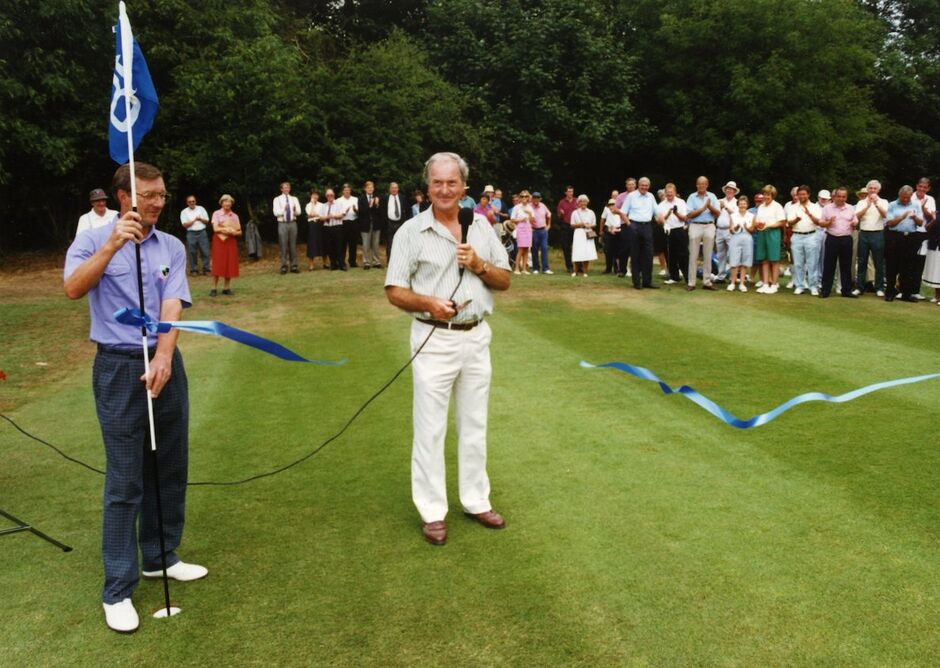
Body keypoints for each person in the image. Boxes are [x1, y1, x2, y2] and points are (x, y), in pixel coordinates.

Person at [63, 162, 206, 634]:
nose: (159, 203)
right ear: (124, 197)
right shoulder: (92, 239)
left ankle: (160, 556)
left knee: (169, 467)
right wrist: (112, 244)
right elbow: (72, 287)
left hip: (163, 364)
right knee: (126, 478)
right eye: (149, 196)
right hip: (118, 365)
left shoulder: (171, 246)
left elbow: (171, 303)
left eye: (162, 195)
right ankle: (118, 589)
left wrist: (165, 356)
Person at [384, 151, 511, 546]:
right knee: (430, 428)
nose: (444, 189)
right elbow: (394, 290)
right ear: (427, 187)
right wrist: (429, 303)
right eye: (437, 183)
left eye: (452, 182)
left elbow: (504, 279)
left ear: (464, 188)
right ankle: (432, 510)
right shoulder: (410, 231)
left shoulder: (482, 227)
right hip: (432, 338)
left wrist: (479, 265)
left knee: (474, 425)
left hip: (476, 337)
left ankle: (476, 500)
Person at [884, 185, 925, 302]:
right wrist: (902, 217)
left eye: (908, 197)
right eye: (903, 197)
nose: (906, 200)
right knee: (892, 265)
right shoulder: (892, 205)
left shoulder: (916, 205)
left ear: (911, 195)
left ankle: (906, 293)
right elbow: (890, 223)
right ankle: (890, 292)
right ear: (899, 195)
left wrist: (915, 217)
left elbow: (921, 223)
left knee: (908, 266)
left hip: (911, 237)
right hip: (895, 237)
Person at [819, 187, 859, 298]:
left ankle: (846, 290)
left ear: (846, 197)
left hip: (846, 239)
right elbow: (821, 223)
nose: (841, 199)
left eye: (843, 196)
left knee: (846, 266)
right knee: (829, 265)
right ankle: (825, 290)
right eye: (839, 196)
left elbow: (855, 220)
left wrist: (854, 222)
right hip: (832, 238)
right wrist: (828, 222)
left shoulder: (850, 208)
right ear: (834, 197)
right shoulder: (827, 208)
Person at [621, 177, 659, 289]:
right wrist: (629, 224)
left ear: (649, 186)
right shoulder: (631, 196)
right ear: (638, 185)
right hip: (634, 226)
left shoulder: (651, 196)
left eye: (646, 185)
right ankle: (637, 282)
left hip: (647, 226)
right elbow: (623, 212)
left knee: (648, 254)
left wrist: (662, 219)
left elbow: (657, 212)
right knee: (635, 254)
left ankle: (647, 281)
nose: (644, 187)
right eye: (642, 185)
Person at [853, 180, 888, 297]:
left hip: (877, 234)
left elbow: (885, 216)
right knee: (862, 261)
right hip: (864, 233)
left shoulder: (883, 201)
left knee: (878, 262)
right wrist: (867, 206)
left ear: (878, 190)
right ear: (867, 190)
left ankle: (879, 287)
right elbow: (856, 216)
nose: (872, 190)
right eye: (870, 188)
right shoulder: (861, 202)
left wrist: (876, 204)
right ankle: (860, 287)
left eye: (875, 188)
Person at [786, 185, 822, 295]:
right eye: (799, 194)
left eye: (804, 194)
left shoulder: (815, 207)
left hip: (811, 235)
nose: (801, 196)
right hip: (796, 236)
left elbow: (819, 222)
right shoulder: (793, 207)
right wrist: (796, 219)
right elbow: (789, 223)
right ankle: (800, 285)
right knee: (798, 263)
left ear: (808, 194)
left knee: (812, 262)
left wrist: (809, 214)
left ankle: (813, 286)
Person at [686, 176, 720, 291]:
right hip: (695, 225)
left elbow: (718, 214)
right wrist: (703, 208)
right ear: (696, 185)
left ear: (707, 185)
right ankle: (691, 283)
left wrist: (709, 206)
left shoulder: (712, 196)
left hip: (709, 225)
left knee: (708, 255)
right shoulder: (691, 197)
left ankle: (707, 282)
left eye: (704, 183)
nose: (701, 186)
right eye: (699, 184)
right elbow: (689, 214)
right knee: (693, 255)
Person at [752, 185, 787, 294]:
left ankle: (774, 284)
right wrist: (758, 224)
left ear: (773, 195)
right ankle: (765, 283)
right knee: (764, 259)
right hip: (762, 233)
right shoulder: (761, 207)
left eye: (768, 194)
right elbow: (758, 221)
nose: (766, 196)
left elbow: (782, 222)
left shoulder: (777, 206)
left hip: (773, 233)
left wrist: (770, 226)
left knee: (774, 260)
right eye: (765, 194)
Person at [655, 183, 689, 285]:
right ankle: (674, 277)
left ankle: (688, 278)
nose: (669, 194)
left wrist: (676, 213)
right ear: (665, 192)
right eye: (668, 192)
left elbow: (685, 218)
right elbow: (659, 220)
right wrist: (668, 214)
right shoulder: (661, 205)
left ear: (675, 192)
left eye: (671, 192)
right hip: (667, 230)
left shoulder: (681, 202)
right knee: (670, 255)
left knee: (683, 255)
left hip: (679, 230)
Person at [209, 195, 241, 296]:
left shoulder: (234, 216)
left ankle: (226, 288)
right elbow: (215, 229)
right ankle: (213, 288)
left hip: (231, 241)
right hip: (219, 241)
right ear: (221, 203)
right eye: (225, 201)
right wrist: (226, 229)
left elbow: (239, 231)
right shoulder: (216, 214)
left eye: (229, 202)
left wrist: (234, 233)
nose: (227, 203)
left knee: (229, 263)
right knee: (218, 263)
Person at [911, 178, 936, 300]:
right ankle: (902, 289)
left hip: (923, 233)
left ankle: (915, 291)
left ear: (928, 188)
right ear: (916, 186)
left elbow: (931, 218)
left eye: (924, 187)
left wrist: (923, 207)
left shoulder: (930, 199)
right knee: (906, 261)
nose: (921, 189)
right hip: (910, 232)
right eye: (920, 186)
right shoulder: (910, 196)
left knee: (919, 262)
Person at [727, 195, 755, 292]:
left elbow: (752, 230)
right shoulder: (733, 215)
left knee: (745, 261)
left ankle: (742, 284)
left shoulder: (751, 216)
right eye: (740, 203)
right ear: (738, 205)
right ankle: (732, 283)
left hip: (747, 238)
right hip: (735, 238)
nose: (742, 205)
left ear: (747, 205)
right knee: (734, 261)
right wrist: (736, 228)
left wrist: (747, 227)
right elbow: (731, 230)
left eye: (744, 203)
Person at [273, 181, 301, 274]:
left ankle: (294, 266)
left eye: (288, 187)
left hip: (292, 223)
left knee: (293, 245)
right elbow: (276, 213)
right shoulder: (277, 199)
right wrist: (284, 209)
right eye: (284, 187)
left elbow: (299, 212)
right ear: (281, 189)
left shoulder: (294, 199)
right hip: (282, 223)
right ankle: (283, 266)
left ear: (289, 189)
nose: (286, 189)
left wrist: (294, 210)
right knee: (283, 245)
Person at [715, 181, 740, 283]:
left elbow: (737, 215)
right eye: (728, 189)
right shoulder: (719, 201)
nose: (729, 190)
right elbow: (714, 214)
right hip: (719, 229)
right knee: (721, 255)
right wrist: (719, 208)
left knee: (732, 254)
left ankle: (733, 276)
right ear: (725, 190)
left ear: (734, 191)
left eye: (731, 189)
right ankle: (721, 276)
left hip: (731, 231)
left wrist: (725, 207)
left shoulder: (737, 202)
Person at [180, 195, 211, 276]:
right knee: (192, 252)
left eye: (193, 201)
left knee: (205, 251)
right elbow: (185, 225)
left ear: (195, 201)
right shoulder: (184, 212)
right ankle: (194, 270)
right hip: (191, 233)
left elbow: (207, 221)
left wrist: (200, 219)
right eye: (190, 202)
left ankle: (206, 269)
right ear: (187, 203)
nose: (192, 203)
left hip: (202, 232)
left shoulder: (201, 209)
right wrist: (194, 220)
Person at [320, 188, 348, 270]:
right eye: (328, 195)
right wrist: (327, 217)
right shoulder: (323, 205)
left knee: (339, 246)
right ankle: (333, 264)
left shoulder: (339, 204)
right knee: (330, 246)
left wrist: (334, 216)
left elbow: (342, 215)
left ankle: (342, 264)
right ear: (326, 196)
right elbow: (321, 218)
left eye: (331, 195)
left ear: (334, 195)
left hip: (337, 227)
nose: (330, 196)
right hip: (327, 227)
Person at [381, 182, 410, 262]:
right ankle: (390, 261)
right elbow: (382, 211)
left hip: (401, 223)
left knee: (401, 243)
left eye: (395, 188)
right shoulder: (385, 198)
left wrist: (407, 223)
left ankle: (401, 261)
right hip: (389, 223)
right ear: (390, 189)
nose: (394, 189)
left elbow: (408, 211)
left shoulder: (403, 198)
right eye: (392, 188)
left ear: (398, 189)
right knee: (390, 243)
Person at [570, 194, 597, 276]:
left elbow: (594, 224)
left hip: (588, 233)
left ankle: (585, 272)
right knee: (577, 251)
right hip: (578, 233)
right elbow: (572, 225)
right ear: (578, 203)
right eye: (581, 201)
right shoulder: (575, 212)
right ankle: (575, 271)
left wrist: (590, 226)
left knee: (586, 252)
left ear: (587, 202)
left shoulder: (591, 212)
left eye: (585, 201)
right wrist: (580, 224)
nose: (583, 203)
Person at [357, 181, 382, 269]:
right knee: (366, 244)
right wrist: (370, 205)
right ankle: (366, 262)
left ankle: (376, 262)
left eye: (372, 187)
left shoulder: (377, 198)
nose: (370, 189)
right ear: (365, 189)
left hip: (376, 224)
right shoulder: (361, 199)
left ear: (374, 188)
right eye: (368, 187)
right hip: (365, 225)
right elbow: (361, 212)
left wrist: (377, 204)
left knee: (375, 244)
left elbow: (380, 212)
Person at [555, 185, 578, 274]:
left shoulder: (577, 201)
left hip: (575, 226)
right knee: (566, 247)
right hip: (565, 226)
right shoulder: (562, 202)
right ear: (565, 192)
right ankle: (569, 267)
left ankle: (578, 266)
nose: (570, 193)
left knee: (576, 247)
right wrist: (561, 214)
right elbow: (559, 217)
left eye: (572, 191)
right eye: (569, 191)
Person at [511, 191, 535, 274]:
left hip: (528, 228)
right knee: (521, 249)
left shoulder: (530, 207)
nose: (524, 198)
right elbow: (512, 219)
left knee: (527, 249)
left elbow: (532, 220)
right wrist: (521, 219)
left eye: (526, 196)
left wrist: (529, 213)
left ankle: (524, 269)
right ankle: (517, 269)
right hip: (520, 228)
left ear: (528, 198)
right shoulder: (517, 207)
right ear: (520, 198)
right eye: (522, 196)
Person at [338, 183, 360, 268]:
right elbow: (338, 212)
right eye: (345, 190)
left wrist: (355, 210)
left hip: (353, 222)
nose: (347, 191)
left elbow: (359, 212)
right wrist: (344, 212)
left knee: (353, 243)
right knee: (343, 244)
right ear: (343, 191)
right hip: (343, 223)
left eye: (348, 190)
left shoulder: (355, 199)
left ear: (350, 191)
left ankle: (352, 261)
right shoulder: (339, 200)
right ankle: (342, 261)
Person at [530, 192, 552, 274]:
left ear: (540, 199)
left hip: (543, 230)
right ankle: (535, 268)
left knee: (544, 248)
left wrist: (549, 225)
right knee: (534, 249)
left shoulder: (543, 206)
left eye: (537, 198)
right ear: (532, 198)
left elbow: (549, 215)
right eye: (534, 198)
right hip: (534, 230)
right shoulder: (529, 206)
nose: (536, 199)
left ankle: (545, 268)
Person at [305, 189, 326, 271]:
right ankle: (311, 265)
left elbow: (323, 215)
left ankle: (325, 263)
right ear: (311, 196)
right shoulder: (308, 205)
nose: (315, 196)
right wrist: (313, 204)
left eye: (316, 195)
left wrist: (315, 215)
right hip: (312, 225)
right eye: (313, 195)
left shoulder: (322, 205)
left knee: (323, 242)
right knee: (312, 243)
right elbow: (310, 214)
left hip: (321, 224)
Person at [602, 198, 623, 275]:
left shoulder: (620, 212)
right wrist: (608, 230)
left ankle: (617, 269)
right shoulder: (608, 212)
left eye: (613, 205)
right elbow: (605, 223)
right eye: (610, 205)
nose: (611, 206)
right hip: (609, 232)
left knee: (617, 251)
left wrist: (618, 229)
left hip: (619, 232)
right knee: (608, 251)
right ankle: (608, 268)